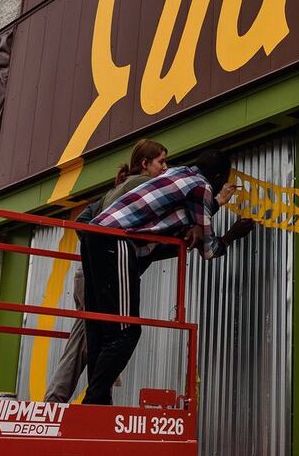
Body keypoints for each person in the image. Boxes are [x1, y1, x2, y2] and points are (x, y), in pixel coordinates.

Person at [80, 148, 254, 406]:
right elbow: (209, 249)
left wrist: (196, 221)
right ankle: (93, 403)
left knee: (101, 329)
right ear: (217, 177)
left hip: (93, 236)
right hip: (114, 240)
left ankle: (97, 402)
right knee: (125, 333)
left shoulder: (177, 173)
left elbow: (177, 214)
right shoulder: (202, 189)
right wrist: (232, 234)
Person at [44, 139, 169, 404]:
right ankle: (63, 399)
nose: (166, 168)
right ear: (144, 164)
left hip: (93, 271)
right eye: (161, 162)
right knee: (94, 338)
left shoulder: (116, 192)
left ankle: (91, 398)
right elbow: (85, 225)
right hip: (97, 274)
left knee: (96, 336)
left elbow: (84, 223)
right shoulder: (137, 188)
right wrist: (102, 251)